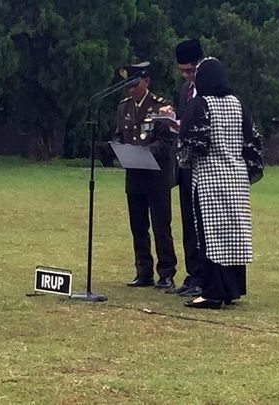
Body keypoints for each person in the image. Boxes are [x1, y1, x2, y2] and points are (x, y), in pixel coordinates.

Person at [177, 57, 264, 309]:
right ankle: (232, 288)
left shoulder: (201, 105)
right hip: (236, 178)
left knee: (210, 236)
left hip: (209, 179)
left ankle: (212, 291)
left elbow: (193, 144)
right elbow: (253, 141)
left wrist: (183, 158)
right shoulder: (239, 104)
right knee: (234, 234)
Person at [113, 61, 178, 289]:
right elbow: (120, 135)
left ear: (146, 81)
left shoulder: (161, 106)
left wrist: (144, 152)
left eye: (134, 83)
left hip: (157, 175)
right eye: (127, 85)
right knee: (138, 225)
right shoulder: (124, 107)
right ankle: (143, 271)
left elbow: (166, 141)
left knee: (161, 226)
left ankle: (166, 273)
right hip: (134, 175)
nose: (130, 89)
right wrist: (119, 150)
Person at [160, 39, 205, 297]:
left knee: (201, 222)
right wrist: (172, 119)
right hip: (185, 164)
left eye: (190, 71)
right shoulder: (185, 91)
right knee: (187, 219)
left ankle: (203, 276)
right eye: (183, 72)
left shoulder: (209, 90)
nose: (187, 76)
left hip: (203, 165)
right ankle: (192, 272)